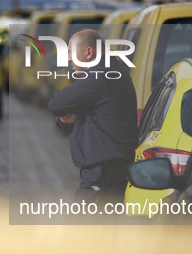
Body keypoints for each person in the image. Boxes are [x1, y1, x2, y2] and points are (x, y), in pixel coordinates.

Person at [48, 29, 138, 205]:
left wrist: (65, 117)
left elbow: (55, 103)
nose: (68, 58)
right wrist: (66, 120)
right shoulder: (112, 68)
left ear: (89, 52)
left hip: (102, 167)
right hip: (112, 163)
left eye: (71, 52)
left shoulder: (99, 75)